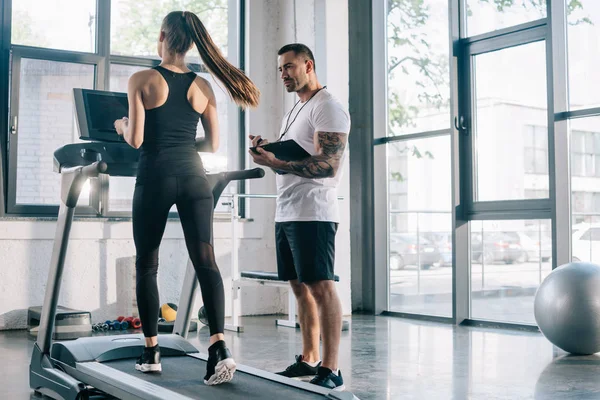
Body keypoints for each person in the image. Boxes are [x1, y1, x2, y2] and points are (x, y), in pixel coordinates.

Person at [114, 10, 260, 386]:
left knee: (147, 263)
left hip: (156, 177)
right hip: (195, 178)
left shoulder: (142, 79)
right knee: (207, 262)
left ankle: (150, 353)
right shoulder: (204, 87)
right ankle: (219, 347)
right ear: (192, 43)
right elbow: (212, 144)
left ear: (162, 35)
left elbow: (136, 140)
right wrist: (181, 145)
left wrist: (121, 125)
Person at [248, 43, 350, 390]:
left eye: (289, 67)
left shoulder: (328, 108)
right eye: (280, 69)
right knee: (299, 288)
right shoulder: (296, 110)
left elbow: (328, 164)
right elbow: (300, 153)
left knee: (321, 288)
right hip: (288, 209)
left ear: (309, 65)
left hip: (314, 212)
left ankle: (331, 369)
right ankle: (308, 359)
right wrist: (269, 148)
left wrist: (276, 163)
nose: (283, 75)